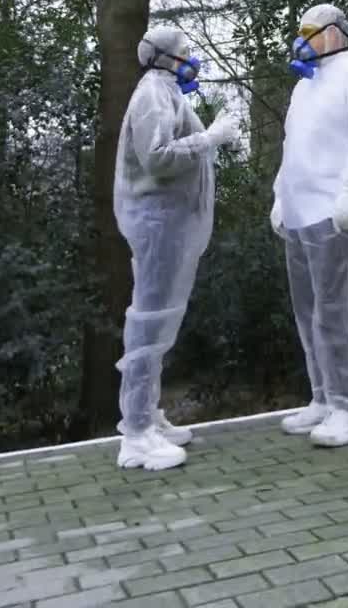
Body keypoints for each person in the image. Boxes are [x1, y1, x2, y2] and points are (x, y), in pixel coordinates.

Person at [113, 24, 238, 471]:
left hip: (169, 223)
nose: (192, 59)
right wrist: (213, 136)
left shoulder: (167, 92)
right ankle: (137, 433)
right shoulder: (151, 94)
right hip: (157, 223)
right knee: (149, 321)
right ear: (164, 57)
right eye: (186, 52)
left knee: (161, 321)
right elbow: (158, 157)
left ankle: (149, 417)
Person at [271, 4, 348, 447]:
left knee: (339, 312)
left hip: (334, 212)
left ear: (336, 33)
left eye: (310, 31)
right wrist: (279, 195)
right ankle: (323, 396)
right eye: (300, 30)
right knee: (310, 314)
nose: (302, 38)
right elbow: (293, 144)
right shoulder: (306, 85)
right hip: (301, 211)